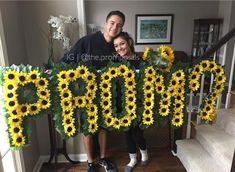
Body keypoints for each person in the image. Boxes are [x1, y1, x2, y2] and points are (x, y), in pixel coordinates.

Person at [62, 10, 125, 172]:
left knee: (103, 128)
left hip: (108, 94)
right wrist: (53, 69)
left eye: (119, 25)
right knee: (88, 130)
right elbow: (70, 57)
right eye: (112, 23)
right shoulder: (88, 41)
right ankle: (90, 163)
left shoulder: (118, 45)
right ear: (106, 23)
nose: (115, 27)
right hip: (86, 94)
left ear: (121, 28)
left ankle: (103, 159)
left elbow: (129, 60)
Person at [113, 32, 149, 172]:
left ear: (129, 42)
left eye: (122, 44)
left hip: (138, 104)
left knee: (137, 133)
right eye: (116, 46)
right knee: (127, 132)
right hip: (122, 104)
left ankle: (144, 153)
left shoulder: (141, 61)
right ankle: (133, 159)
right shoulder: (115, 62)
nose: (119, 48)